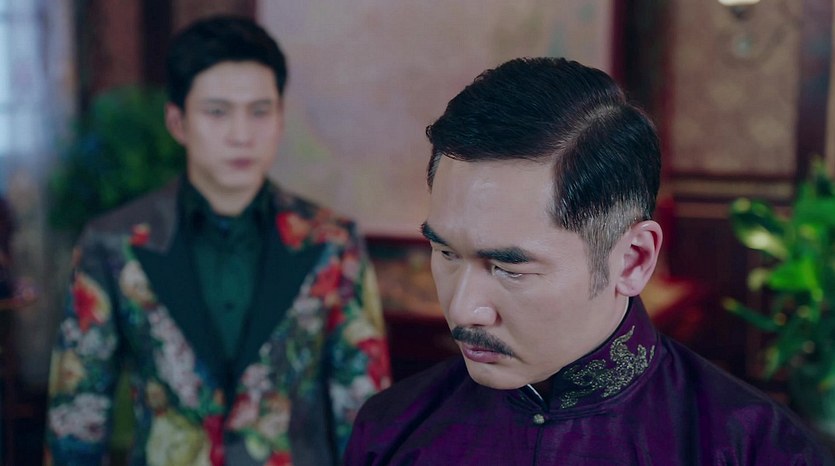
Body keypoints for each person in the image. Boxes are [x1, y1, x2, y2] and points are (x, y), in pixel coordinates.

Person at [344, 57, 835, 465]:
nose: (463, 309)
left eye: (509, 268)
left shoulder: (754, 449)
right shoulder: (392, 429)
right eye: (447, 252)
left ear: (633, 260)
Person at [45, 15, 390, 466]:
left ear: (280, 119)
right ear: (178, 122)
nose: (241, 135)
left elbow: (365, 414)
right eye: (217, 112)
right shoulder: (112, 244)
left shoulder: (333, 242)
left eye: (259, 111)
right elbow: (77, 418)